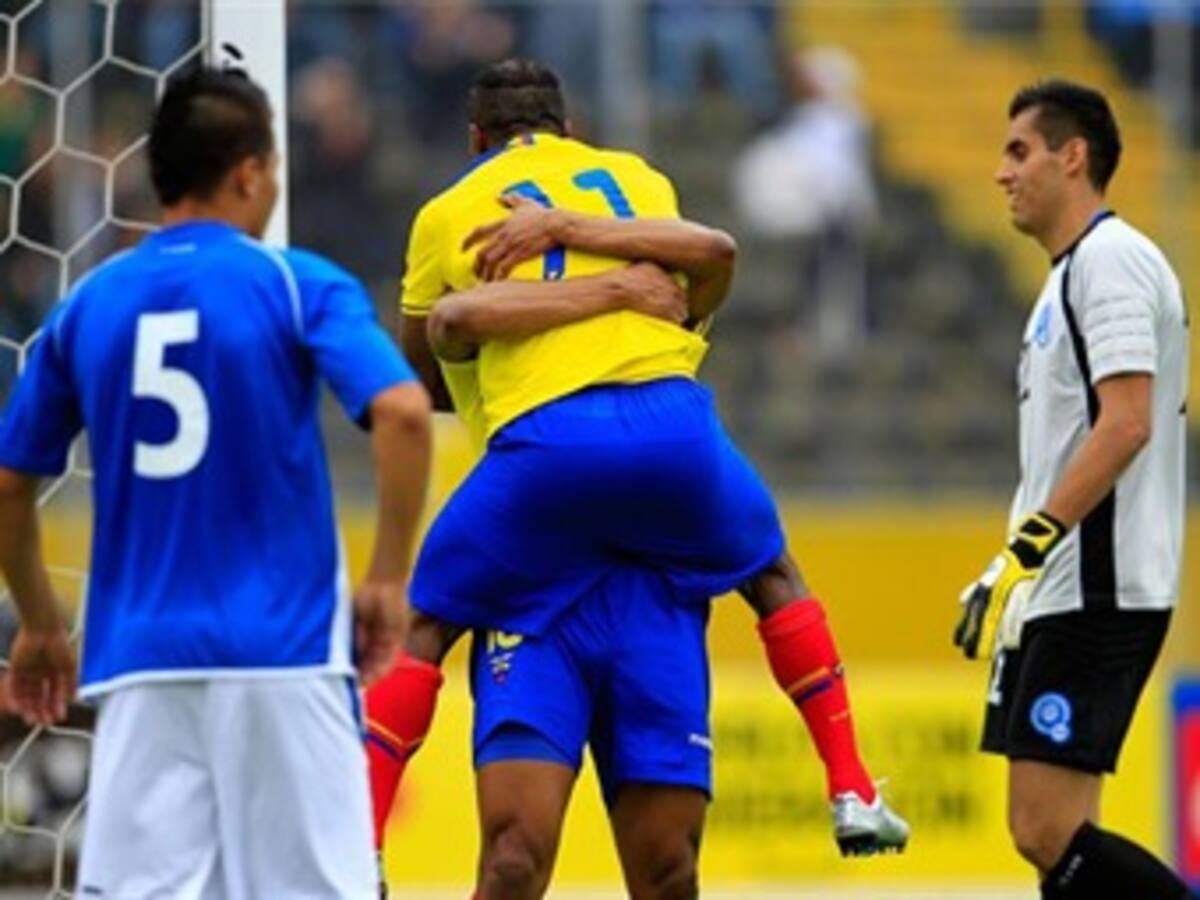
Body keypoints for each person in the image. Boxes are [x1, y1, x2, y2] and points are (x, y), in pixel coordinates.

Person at [367, 58, 906, 895]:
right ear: (570, 128)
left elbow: (429, 362)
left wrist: (509, 316)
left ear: (475, 140)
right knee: (672, 867)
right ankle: (853, 786)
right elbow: (710, 262)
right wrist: (612, 281)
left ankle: (356, 841)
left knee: (433, 661)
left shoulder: (446, 213)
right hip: (652, 466)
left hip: (549, 483)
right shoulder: (638, 184)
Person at [0, 65, 432, 899]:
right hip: (282, 654)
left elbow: (12, 482)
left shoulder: (91, 302)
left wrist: (43, 627)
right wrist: (386, 575)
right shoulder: (292, 280)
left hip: (142, 661)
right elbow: (406, 413)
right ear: (249, 173)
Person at [955, 79, 1190, 899]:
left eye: (1019, 151)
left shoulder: (1113, 260)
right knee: (1055, 840)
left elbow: (1128, 422)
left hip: (1099, 584)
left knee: (1044, 828)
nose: (1001, 173)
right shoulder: (1064, 281)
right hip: (1058, 587)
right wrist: (1015, 569)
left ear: (1074, 156)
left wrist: (1029, 546)